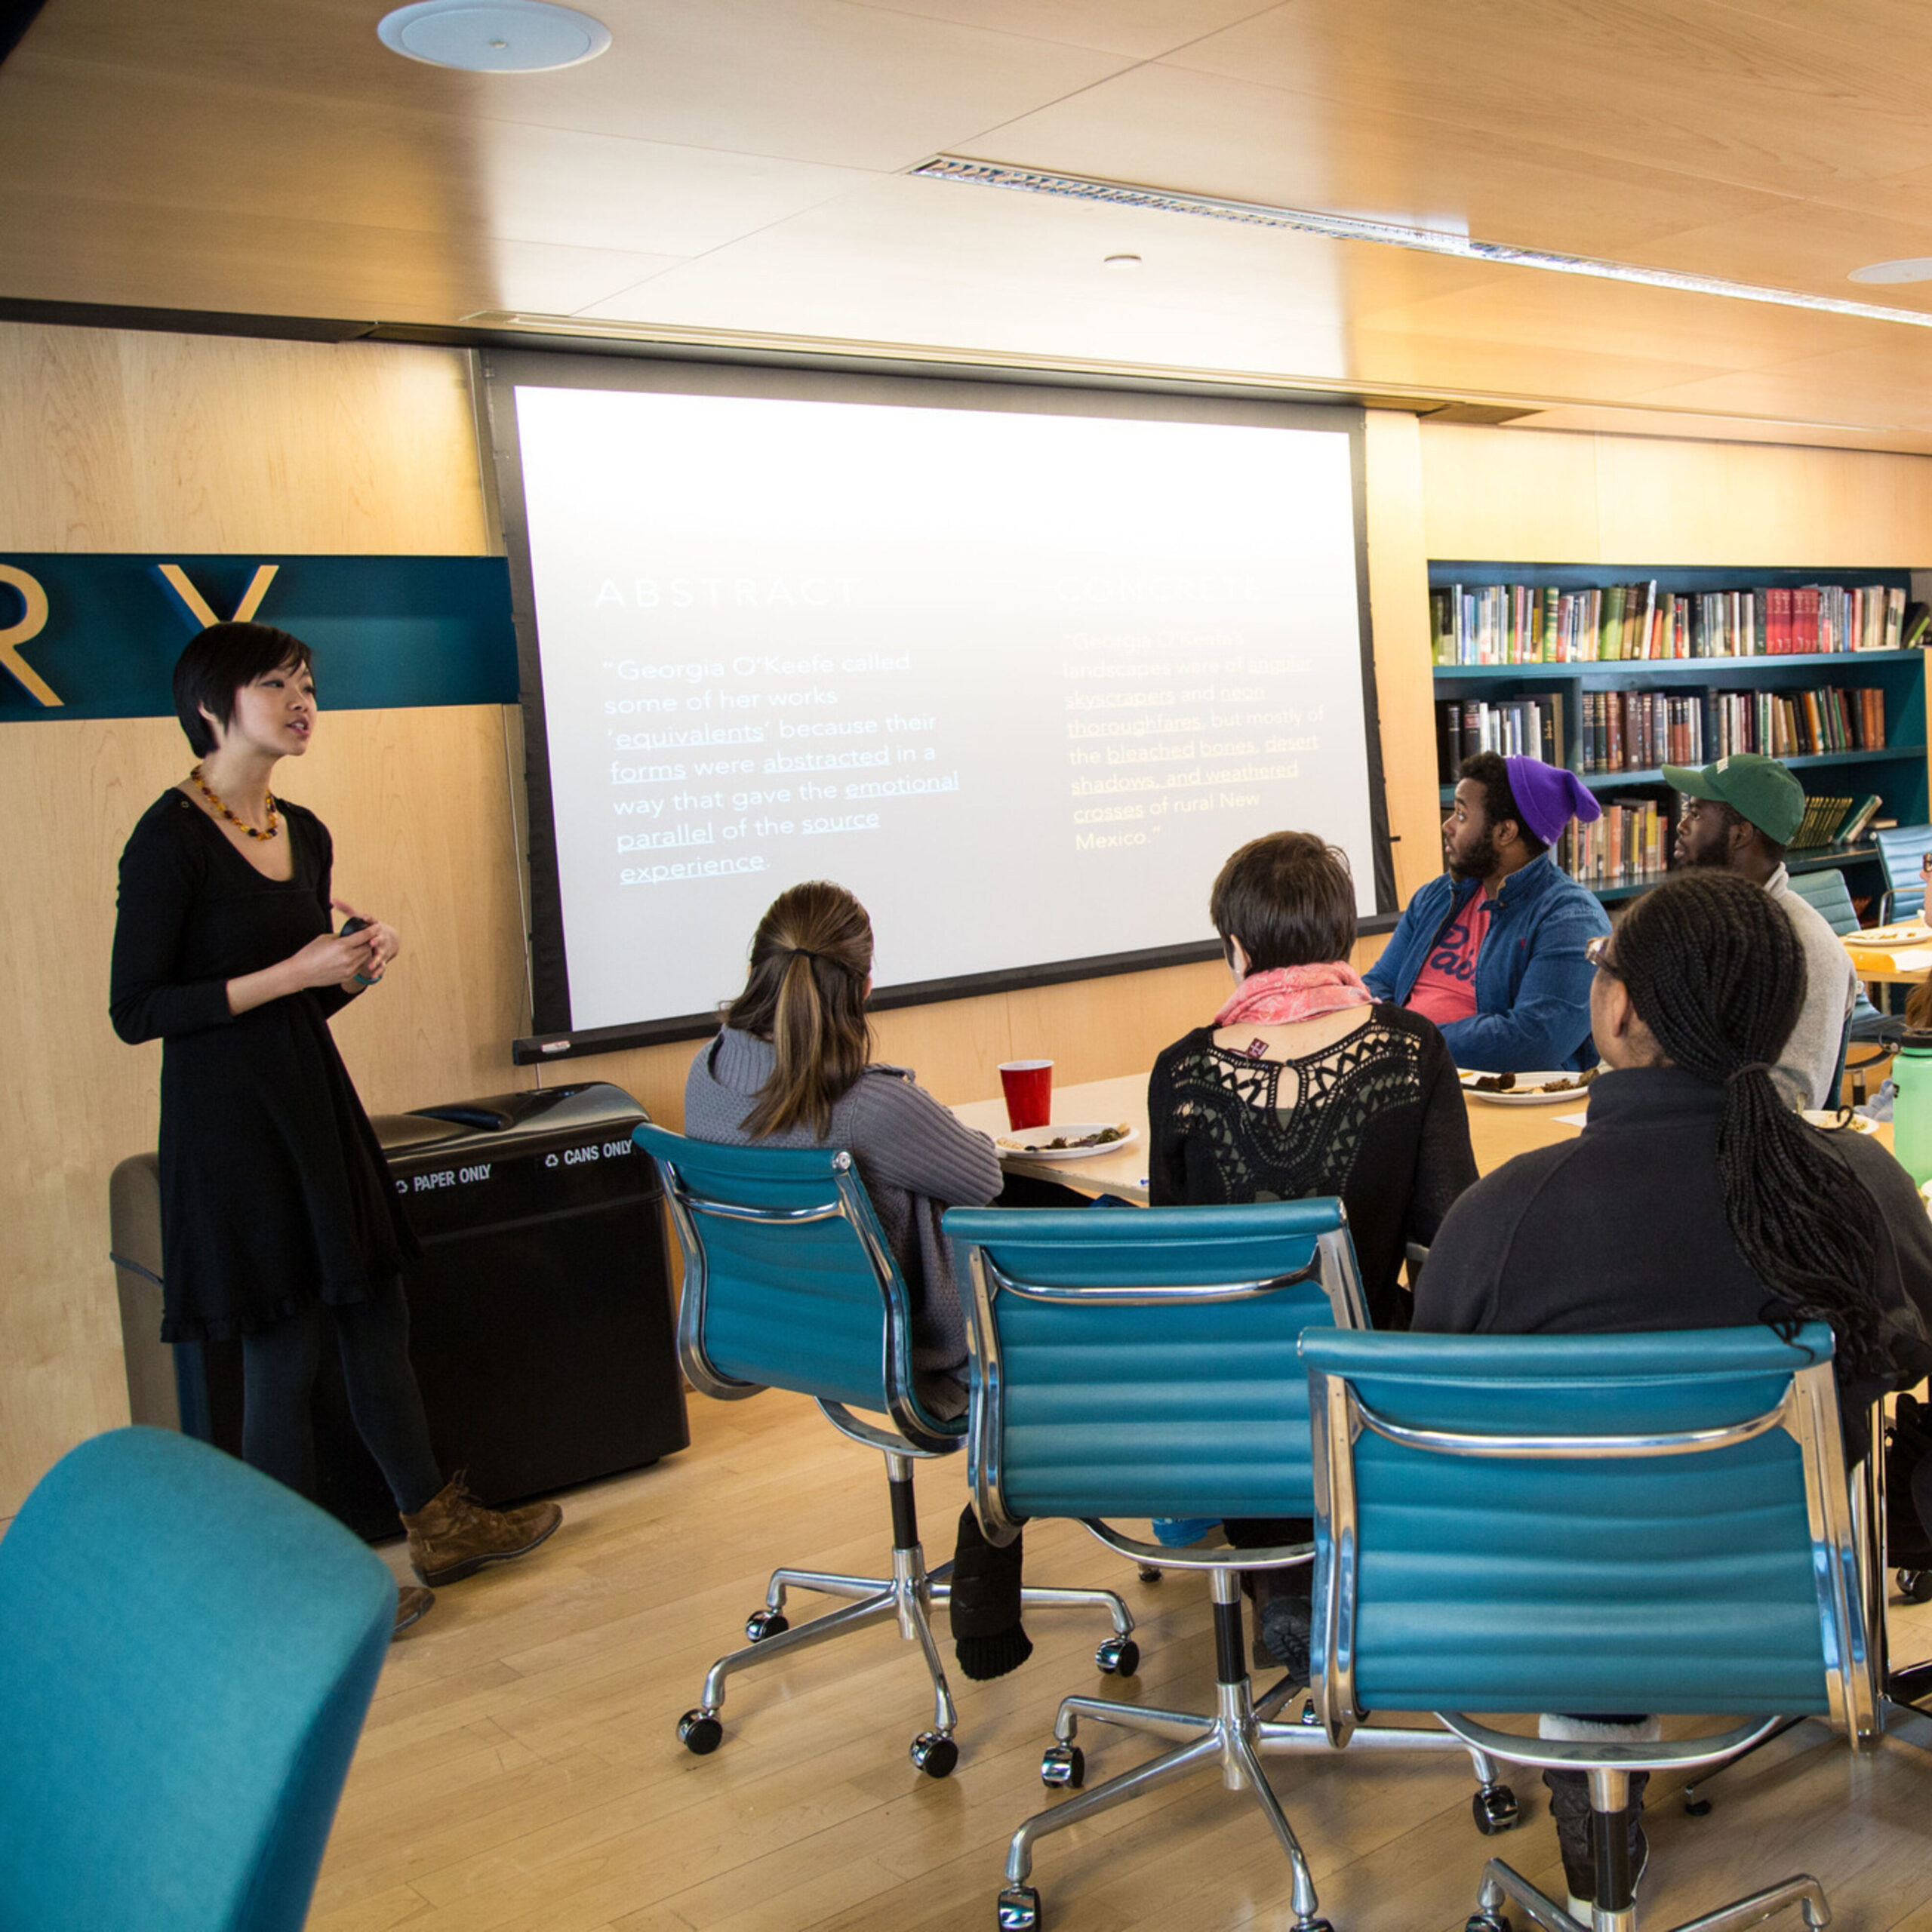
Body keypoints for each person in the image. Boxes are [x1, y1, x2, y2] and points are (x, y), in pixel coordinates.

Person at [1414, 867, 1932, 1917]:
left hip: (1548, 1607)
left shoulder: (1500, 1219)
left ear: (1621, 1011)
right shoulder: (1857, 1187)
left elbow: (1430, 1422)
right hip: (1778, 1594)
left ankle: (1593, 1760)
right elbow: (1911, 1353)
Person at [110, 622, 561, 1637]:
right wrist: (294, 972)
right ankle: (292, 1585)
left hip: (314, 1100)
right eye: (278, 684)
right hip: (229, 1128)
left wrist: (354, 966)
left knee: (375, 1319)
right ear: (213, 704)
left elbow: (299, 1009)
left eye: (309, 683)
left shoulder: (303, 832)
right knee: (284, 1350)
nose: (303, 700)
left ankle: (439, 1528)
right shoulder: (169, 838)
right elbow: (137, 1009)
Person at [1148, 830, 1478, 1674]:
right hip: (1362, 1375)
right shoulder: (1410, 1049)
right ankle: (1338, 1565)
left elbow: (1171, 1262)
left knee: (1250, 1358)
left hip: (1223, 1398)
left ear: (1236, 947)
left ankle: (1283, 1573)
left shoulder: (1180, 1072)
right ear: (1345, 943)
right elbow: (1450, 1235)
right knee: (1360, 1336)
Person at [682, 880, 1026, 1676]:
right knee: (1057, 1313)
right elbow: (982, 1173)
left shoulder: (706, 1074)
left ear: (756, 966)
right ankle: (996, 1535)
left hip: (789, 1338)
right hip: (915, 1362)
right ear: (864, 988)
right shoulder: (868, 1107)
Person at [1364, 752, 1611, 1072]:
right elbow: (1377, 983)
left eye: (1463, 816)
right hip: (1406, 1077)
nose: (1448, 826)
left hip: (1494, 1096)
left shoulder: (1573, 920)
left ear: (1505, 833)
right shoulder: (1437, 896)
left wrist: (1408, 1042)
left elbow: (1533, 1041)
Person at [1664, 749, 1858, 1109]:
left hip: (1744, 1153)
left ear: (1740, 835)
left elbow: (1793, 1095)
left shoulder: (1809, 949)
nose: (1681, 825)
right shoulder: (1691, 924)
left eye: (1695, 813)